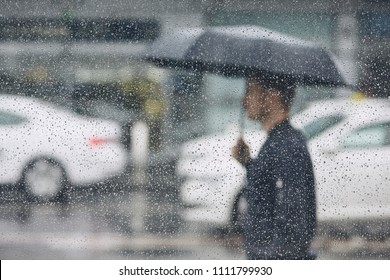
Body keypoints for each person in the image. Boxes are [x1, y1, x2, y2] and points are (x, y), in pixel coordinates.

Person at [231, 74, 317, 260]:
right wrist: (248, 162)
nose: (243, 100)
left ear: (271, 97)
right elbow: (269, 192)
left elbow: (295, 215)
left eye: (250, 92)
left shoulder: (287, 145)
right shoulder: (278, 141)